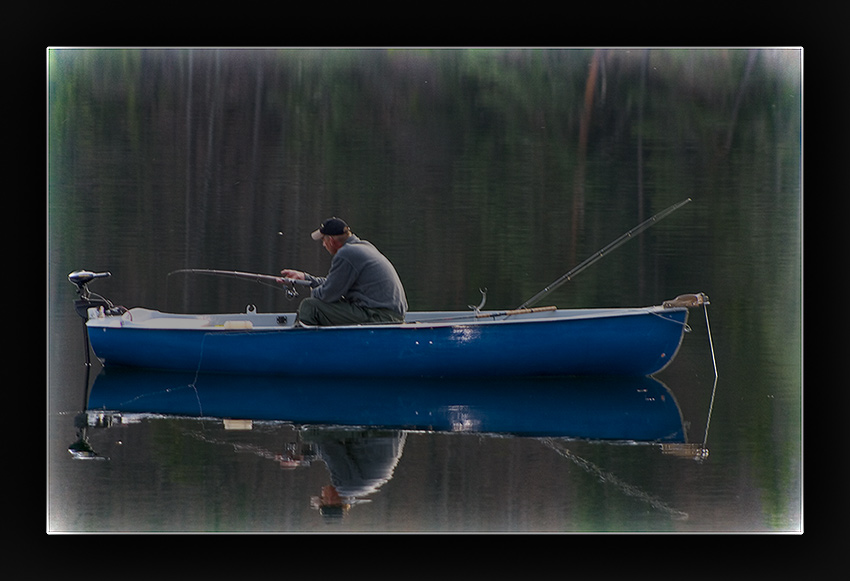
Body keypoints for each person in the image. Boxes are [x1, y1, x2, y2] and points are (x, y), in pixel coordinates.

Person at [281, 217, 408, 326]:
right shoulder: (363, 246)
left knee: (310, 306)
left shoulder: (346, 254)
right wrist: (306, 278)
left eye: (323, 240)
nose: (323, 245)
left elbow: (328, 294)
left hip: (379, 317)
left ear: (331, 240)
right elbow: (335, 284)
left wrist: (314, 291)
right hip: (390, 315)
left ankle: (304, 348)